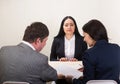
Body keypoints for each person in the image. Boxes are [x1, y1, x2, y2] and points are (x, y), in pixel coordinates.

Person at [67, 19, 120, 84]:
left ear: (92, 34)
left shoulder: (88, 54)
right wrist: (87, 69)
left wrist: (72, 79)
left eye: (85, 36)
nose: (84, 39)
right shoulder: (116, 48)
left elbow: (87, 83)